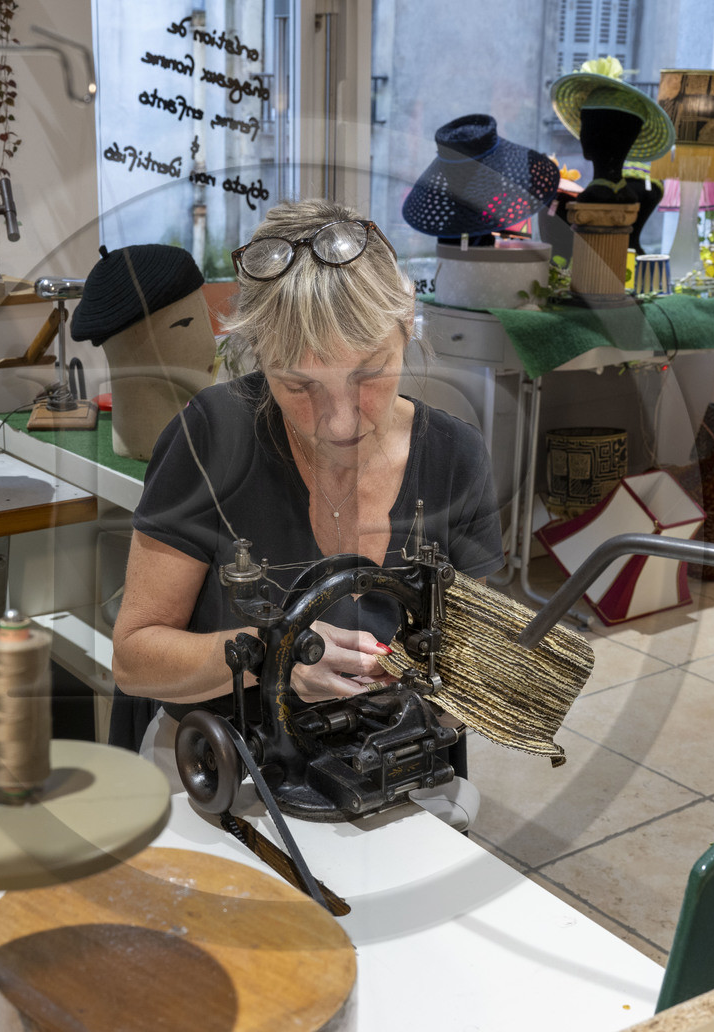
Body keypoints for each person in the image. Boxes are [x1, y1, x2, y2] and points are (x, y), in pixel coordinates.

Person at [110, 199, 503, 828]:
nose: (341, 421)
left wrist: (450, 692)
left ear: (408, 326)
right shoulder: (209, 439)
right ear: (258, 355)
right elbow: (134, 659)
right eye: (299, 386)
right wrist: (276, 656)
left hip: (386, 764)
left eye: (369, 375)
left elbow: (477, 658)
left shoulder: (455, 455)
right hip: (220, 760)